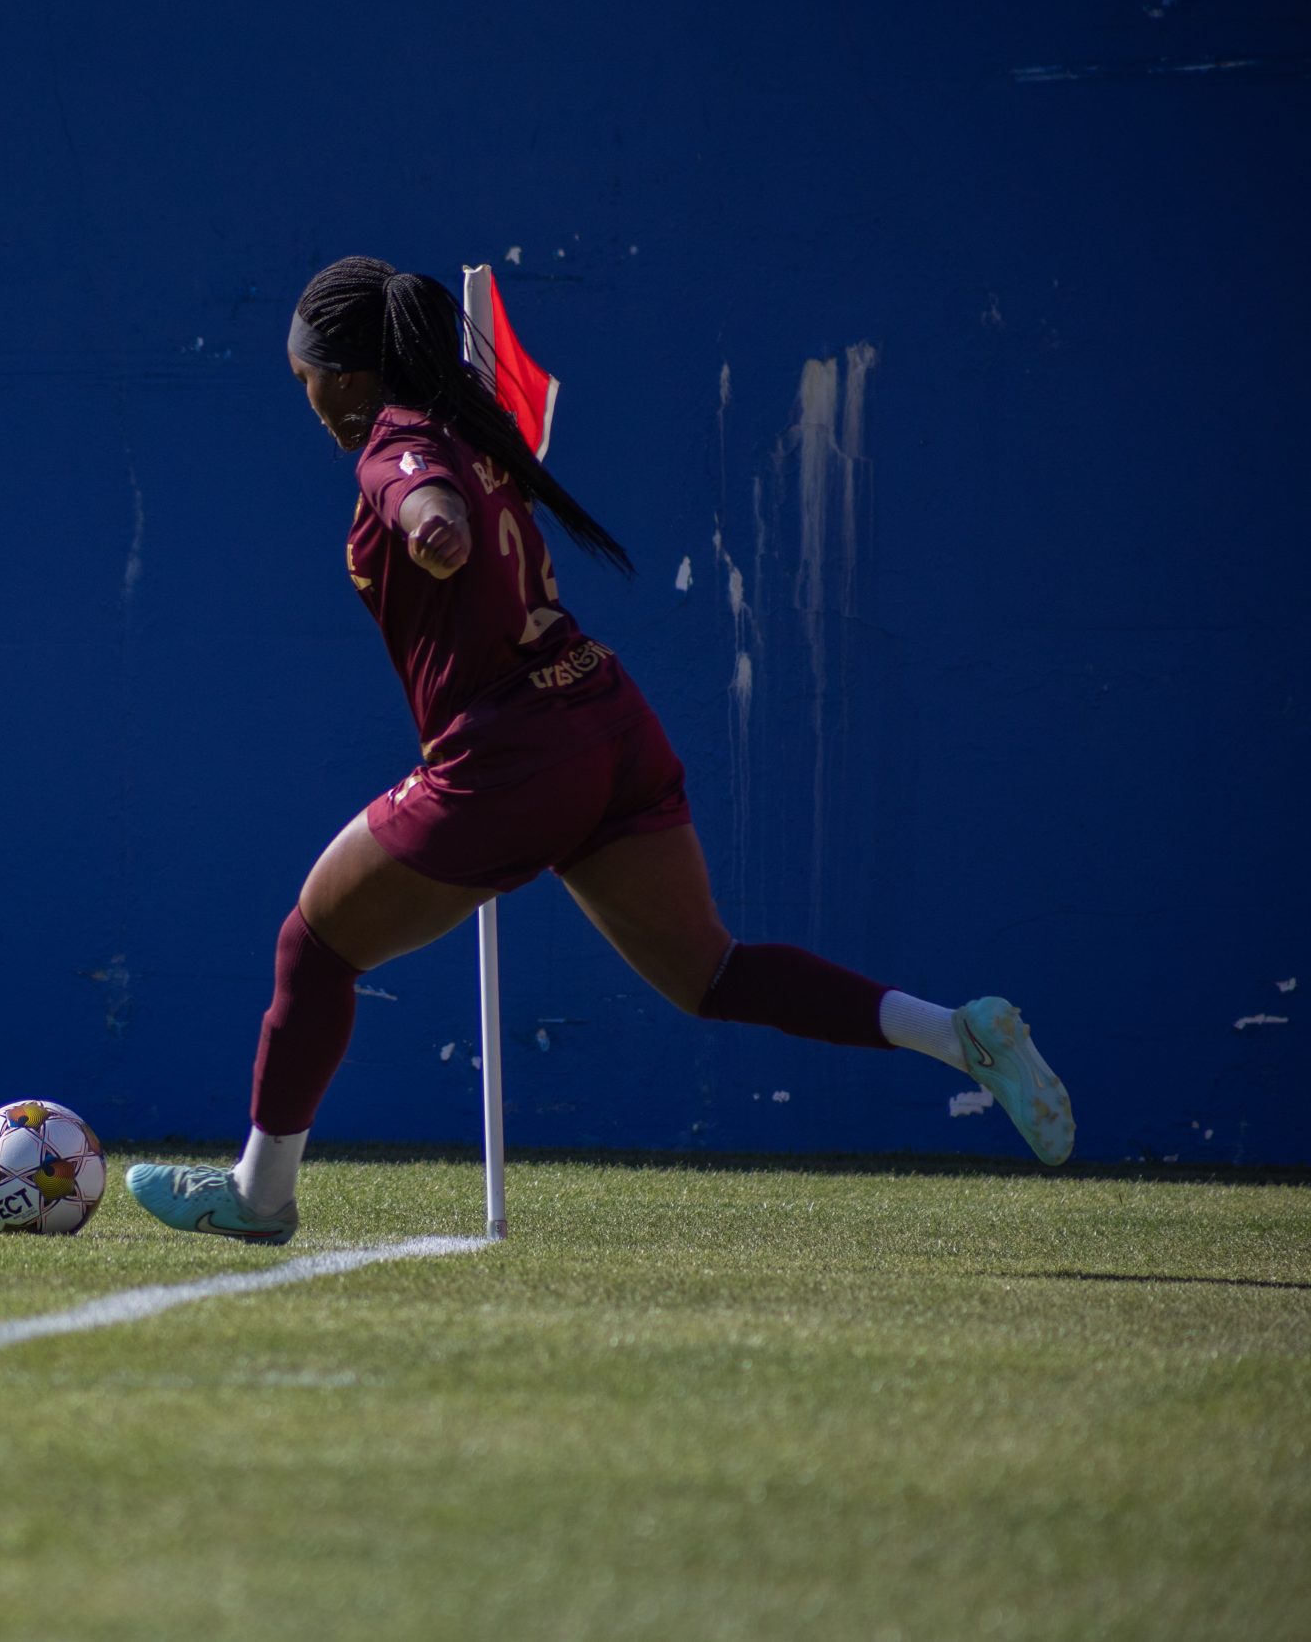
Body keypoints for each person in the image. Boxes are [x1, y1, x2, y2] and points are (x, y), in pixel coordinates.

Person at [125, 256, 1073, 1244]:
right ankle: (961, 1034)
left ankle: (260, 1194)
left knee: (311, 947)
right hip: (606, 717)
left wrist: (430, 523)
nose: (306, 398)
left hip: (509, 755)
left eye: (303, 376)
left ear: (347, 375)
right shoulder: (471, 429)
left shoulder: (394, 437)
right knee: (709, 973)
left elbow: (416, 493)